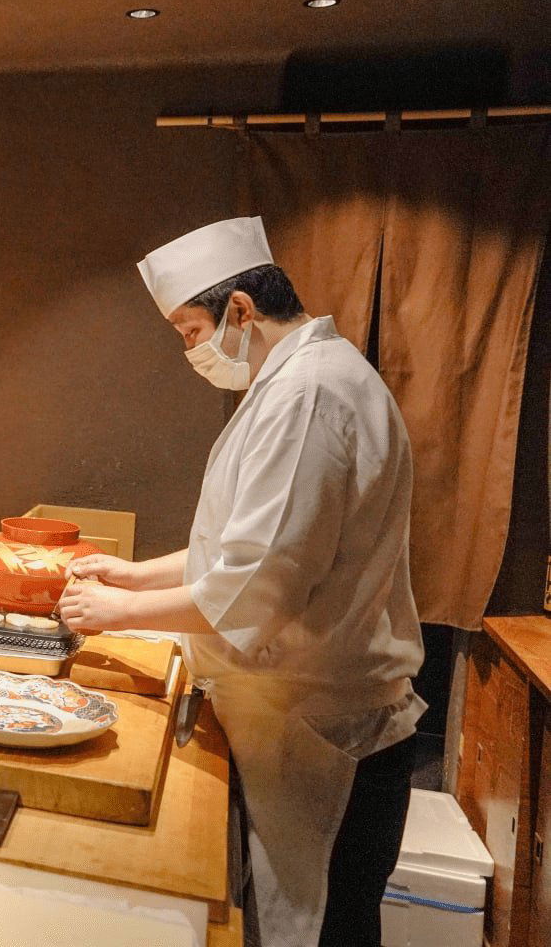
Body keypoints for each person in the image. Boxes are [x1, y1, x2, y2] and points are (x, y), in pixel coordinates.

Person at [57, 217, 424, 947]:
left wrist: (118, 611)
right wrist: (133, 573)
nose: (191, 350)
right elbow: (238, 548)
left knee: (327, 929)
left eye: (190, 331)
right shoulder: (296, 380)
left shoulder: (310, 394)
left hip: (328, 733)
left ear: (241, 310)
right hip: (294, 719)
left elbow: (261, 587)